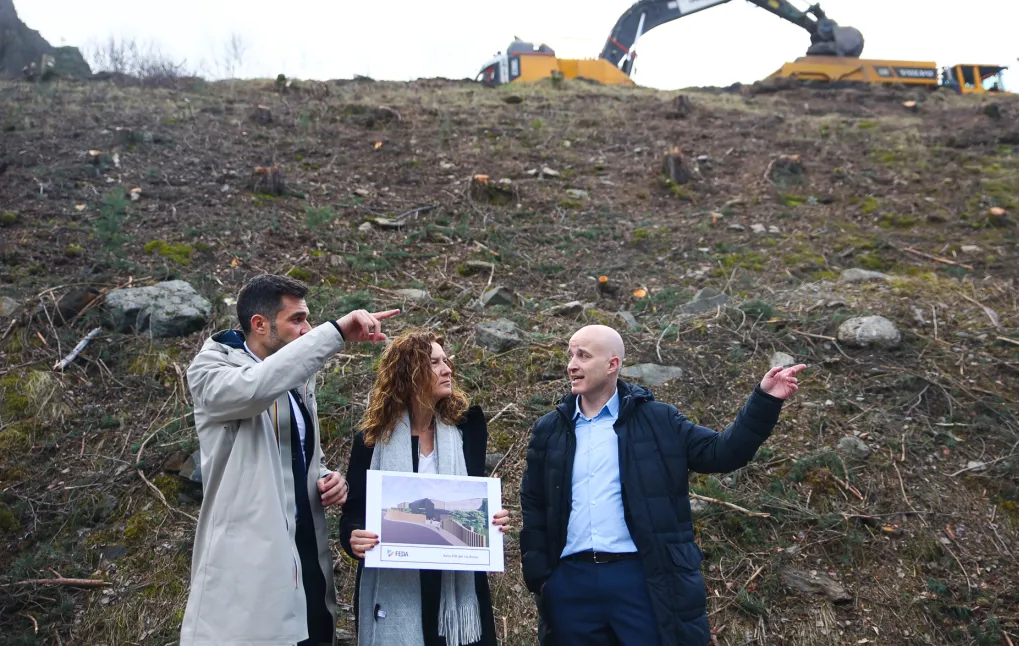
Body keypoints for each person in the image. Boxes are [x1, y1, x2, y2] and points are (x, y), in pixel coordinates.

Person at [520, 324, 806, 646]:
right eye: (570, 355)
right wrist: (542, 577)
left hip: (641, 579)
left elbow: (721, 452)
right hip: (570, 584)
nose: (571, 364)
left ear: (612, 364)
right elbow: (533, 502)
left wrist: (764, 400)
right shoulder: (549, 429)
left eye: (583, 355)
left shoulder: (659, 421)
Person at [180, 273, 399, 646]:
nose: (307, 329)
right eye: (296, 320)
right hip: (249, 562)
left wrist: (327, 476)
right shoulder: (210, 372)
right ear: (259, 324)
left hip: (305, 551)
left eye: (308, 319)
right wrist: (337, 332)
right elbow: (256, 388)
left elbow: (289, 454)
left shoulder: (294, 379)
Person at [340, 330, 509, 646]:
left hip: (455, 584)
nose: (447, 369)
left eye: (446, 361)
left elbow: (473, 502)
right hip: (396, 581)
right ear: (409, 373)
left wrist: (492, 519)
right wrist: (355, 538)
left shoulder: (467, 428)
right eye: (435, 363)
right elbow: (352, 515)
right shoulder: (372, 438)